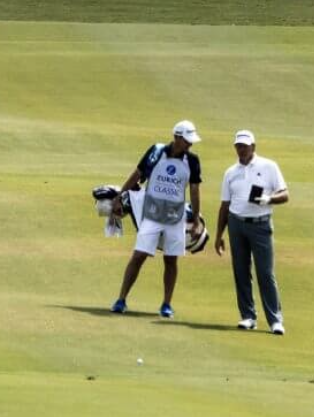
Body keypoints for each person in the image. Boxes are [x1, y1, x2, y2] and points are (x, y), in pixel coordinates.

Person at [110, 121, 203, 318]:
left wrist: (195, 219)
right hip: (151, 216)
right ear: (177, 137)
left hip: (175, 219)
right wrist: (119, 196)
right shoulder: (156, 151)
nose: (190, 145)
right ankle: (121, 299)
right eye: (187, 141)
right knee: (138, 256)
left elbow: (195, 190)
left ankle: (166, 304)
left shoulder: (192, 161)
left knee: (171, 260)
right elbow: (137, 174)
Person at [214, 130, 289, 334]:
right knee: (241, 272)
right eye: (238, 146)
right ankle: (248, 316)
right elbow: (224, 204)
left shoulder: (268, 166)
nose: (242, 149)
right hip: (236, 224)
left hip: (261, 225)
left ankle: (275, 320)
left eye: (245, 146)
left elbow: (285, 194)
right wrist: (219, 234)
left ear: (253, 147)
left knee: (265, 273)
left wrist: (268, 199)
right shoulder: (230, 172)